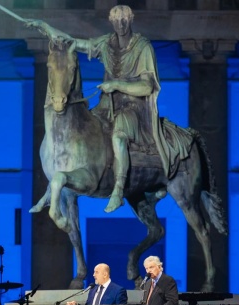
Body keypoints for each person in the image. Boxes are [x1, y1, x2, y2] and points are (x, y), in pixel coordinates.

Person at [25, 5, 183, 213]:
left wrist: (116, 85)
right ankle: (57, 186)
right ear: (111, 21)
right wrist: (46, 28)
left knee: (118, 136)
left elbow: (147, 86)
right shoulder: (106, 43)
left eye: (125, 19)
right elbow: (74, 43)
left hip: (133, 107)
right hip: (107, 105)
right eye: (117, 20)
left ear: (131, 19)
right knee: (84, 130)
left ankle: (118, 189)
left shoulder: (142, 47)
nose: (121, 24)